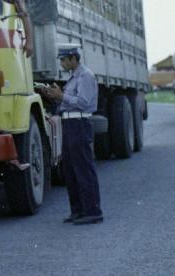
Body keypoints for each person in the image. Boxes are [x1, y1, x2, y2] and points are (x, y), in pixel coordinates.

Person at [39, 45, 103, 225]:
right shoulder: (73, 78)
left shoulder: (86, 76)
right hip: (69, 124)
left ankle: (93, 211)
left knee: (83, 169)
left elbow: (83, 103)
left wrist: (62, 96)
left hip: (80, 123)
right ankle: (78, 210)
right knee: (70, 170)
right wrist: (54, 96)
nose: (61, 63)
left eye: (63, 59)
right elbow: (66, 104)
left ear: (74, 59)